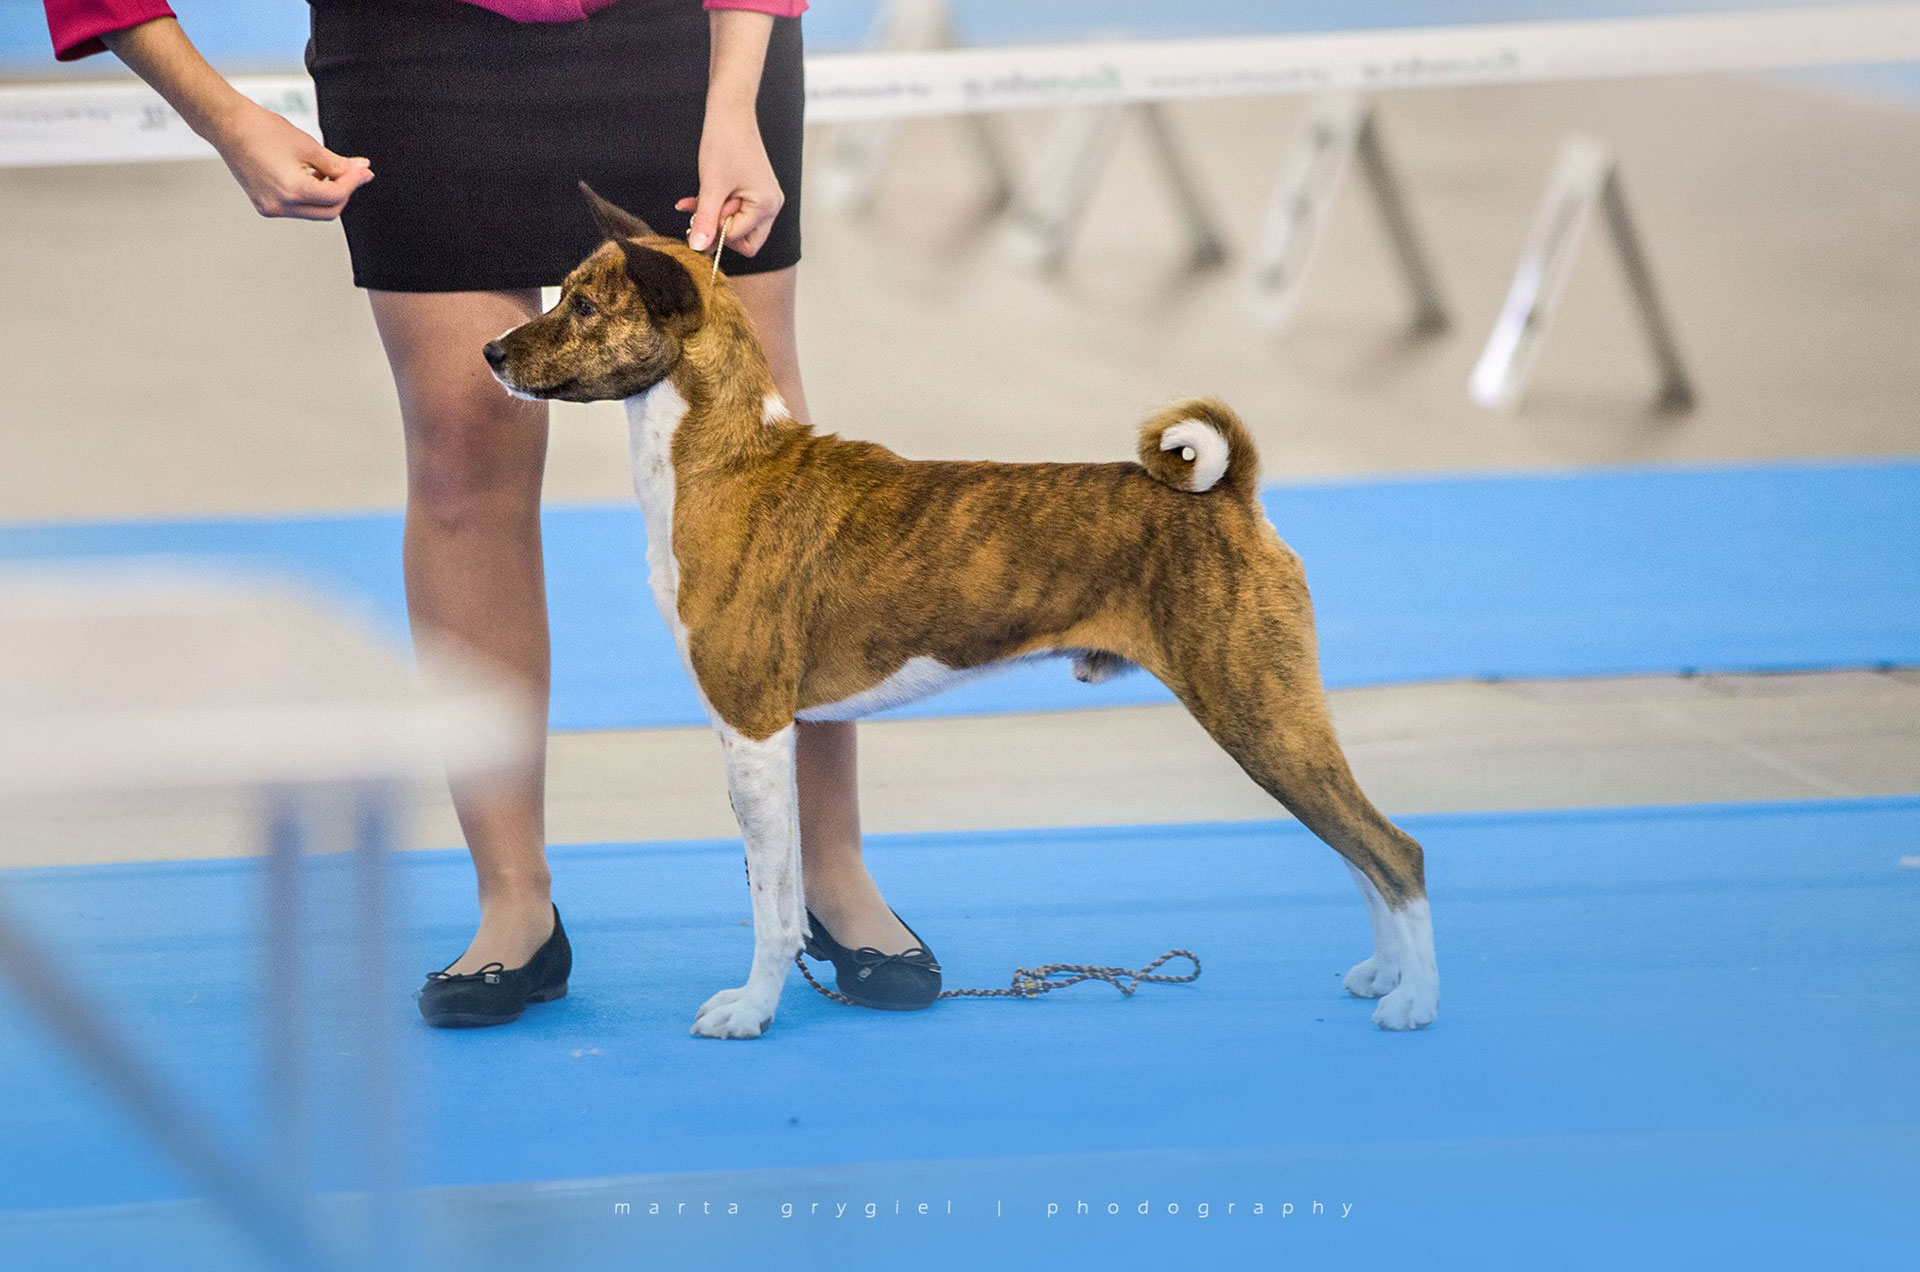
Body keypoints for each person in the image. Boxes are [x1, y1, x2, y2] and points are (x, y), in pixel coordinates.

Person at [43, 0, 941, 1024]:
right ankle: (514, 900)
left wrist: (733, 95)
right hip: (420, 45)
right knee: (462, 443)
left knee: (760, 446)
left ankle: (830, 870)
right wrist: (222, 115)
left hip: (687, 36)